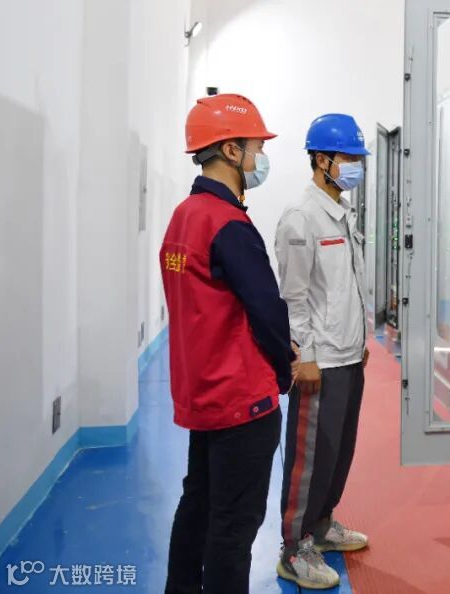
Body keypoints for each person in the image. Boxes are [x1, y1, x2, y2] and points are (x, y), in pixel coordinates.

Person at [161, 94, 298, 594]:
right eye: (257, 147)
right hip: (242, 400)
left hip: (203, 394)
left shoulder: (184, 216)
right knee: (233, 529)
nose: (261, 158)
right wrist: (283, 368)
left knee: (197, 506)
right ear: (231, 150)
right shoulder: (229, 225)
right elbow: (267, 309)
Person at [274, 113, 373, 589]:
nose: (356, 166)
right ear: (321, 160)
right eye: (349, 158)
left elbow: (348, 286)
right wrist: (305, 356)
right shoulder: (301, 217)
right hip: (321, 363)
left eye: (358, 158)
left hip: (348, 355)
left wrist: (361, 339)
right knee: (309, 459)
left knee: (338, 451)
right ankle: (294, 548)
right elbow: (294, 297)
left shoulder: (342, 212)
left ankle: (322, 524)